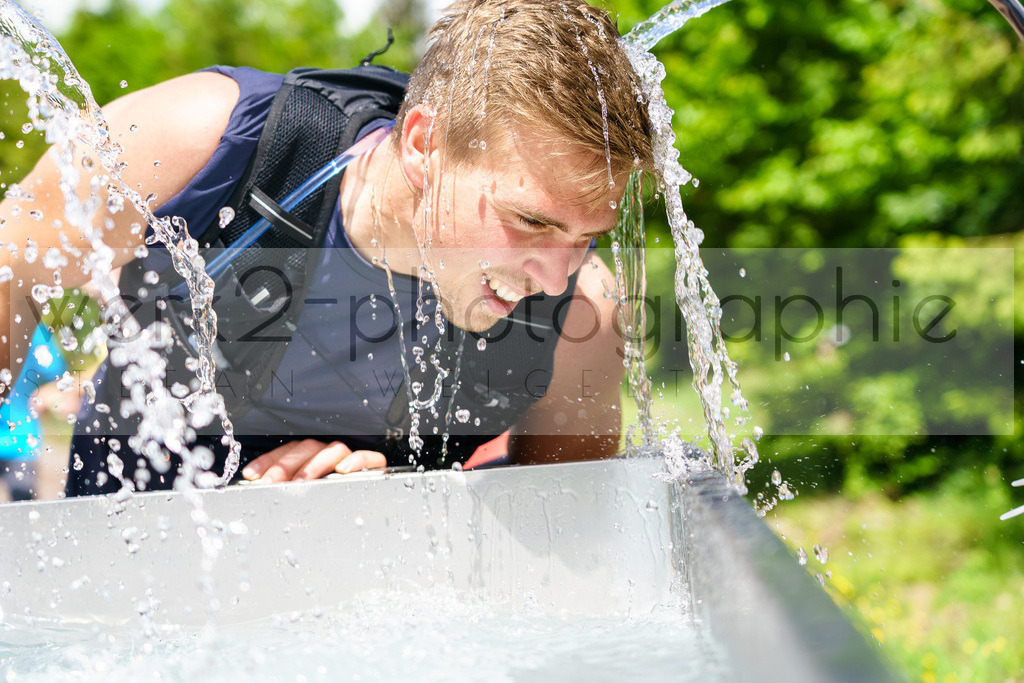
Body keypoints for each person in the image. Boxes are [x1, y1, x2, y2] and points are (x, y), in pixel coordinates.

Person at [0, 0, 653, 496]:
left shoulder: (577, 319)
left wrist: (399, 490)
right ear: (424, 144)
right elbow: (9, 265)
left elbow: (563, 553)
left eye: (587, 234)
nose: (553, 273)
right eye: (531, 220)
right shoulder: (196, 142)